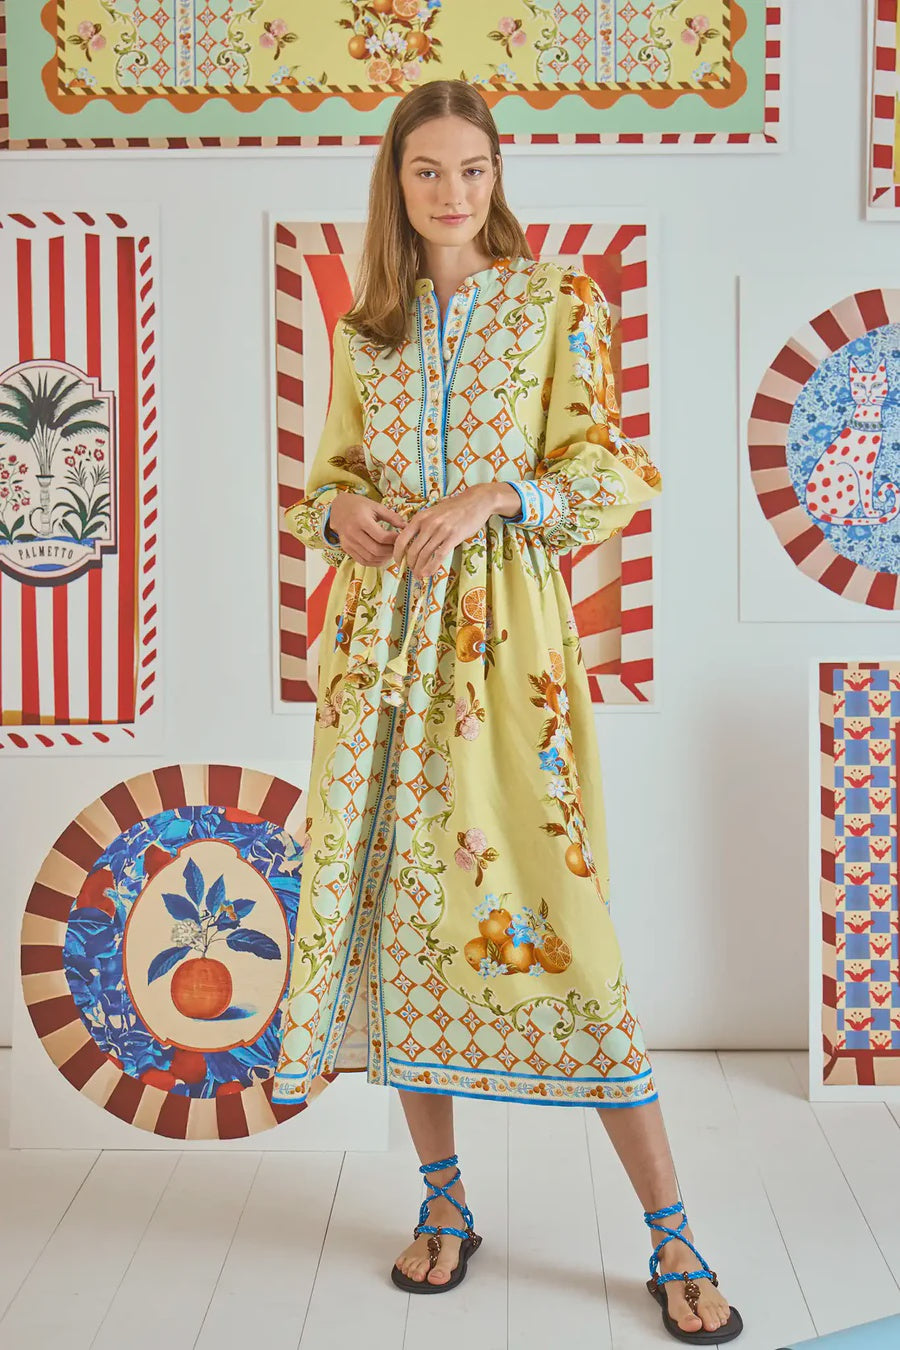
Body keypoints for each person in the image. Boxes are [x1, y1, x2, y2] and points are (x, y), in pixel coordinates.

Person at [271, 79, 742, 1346]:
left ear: (498, 174)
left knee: (562, 920)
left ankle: (670, 1231)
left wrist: (491, 496)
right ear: (395, 180)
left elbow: (613, 471)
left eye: (471, 168)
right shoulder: (364, 330)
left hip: (505, 651)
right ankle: (442, 1202)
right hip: (381, 656)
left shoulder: (554, 302)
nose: (451, 192)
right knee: (406, 922)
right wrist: (342, 519)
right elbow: (327, 481)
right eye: (426, 170)